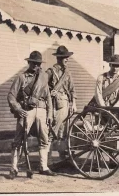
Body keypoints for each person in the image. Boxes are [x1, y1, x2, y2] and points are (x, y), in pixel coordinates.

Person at [8, 51, 56, 179]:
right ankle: (13, 168)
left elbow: (48, 97)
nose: (36, 66)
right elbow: (11, 96)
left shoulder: (43, 77)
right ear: (29, 63)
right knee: (18, 140)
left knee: (44, 139)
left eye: (38, 64)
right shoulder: (22, 78)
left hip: (41, 110)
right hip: (26, 110)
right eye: (34, 63)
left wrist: (50, 114)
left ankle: (43, 167)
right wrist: (18, 109)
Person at [46, 46, 77, 161]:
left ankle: (61, 157)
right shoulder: (50, 72)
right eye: (65, 57)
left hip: (66, 105)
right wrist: (51, 92)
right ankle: (47, 159)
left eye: (67, 58)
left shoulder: (67, 73)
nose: (67, 59)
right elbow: (43, 87)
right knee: (53, 130)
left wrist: (73, 103)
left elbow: (72, 89)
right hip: (56, 105)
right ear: (59, 58)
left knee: (63, 132)